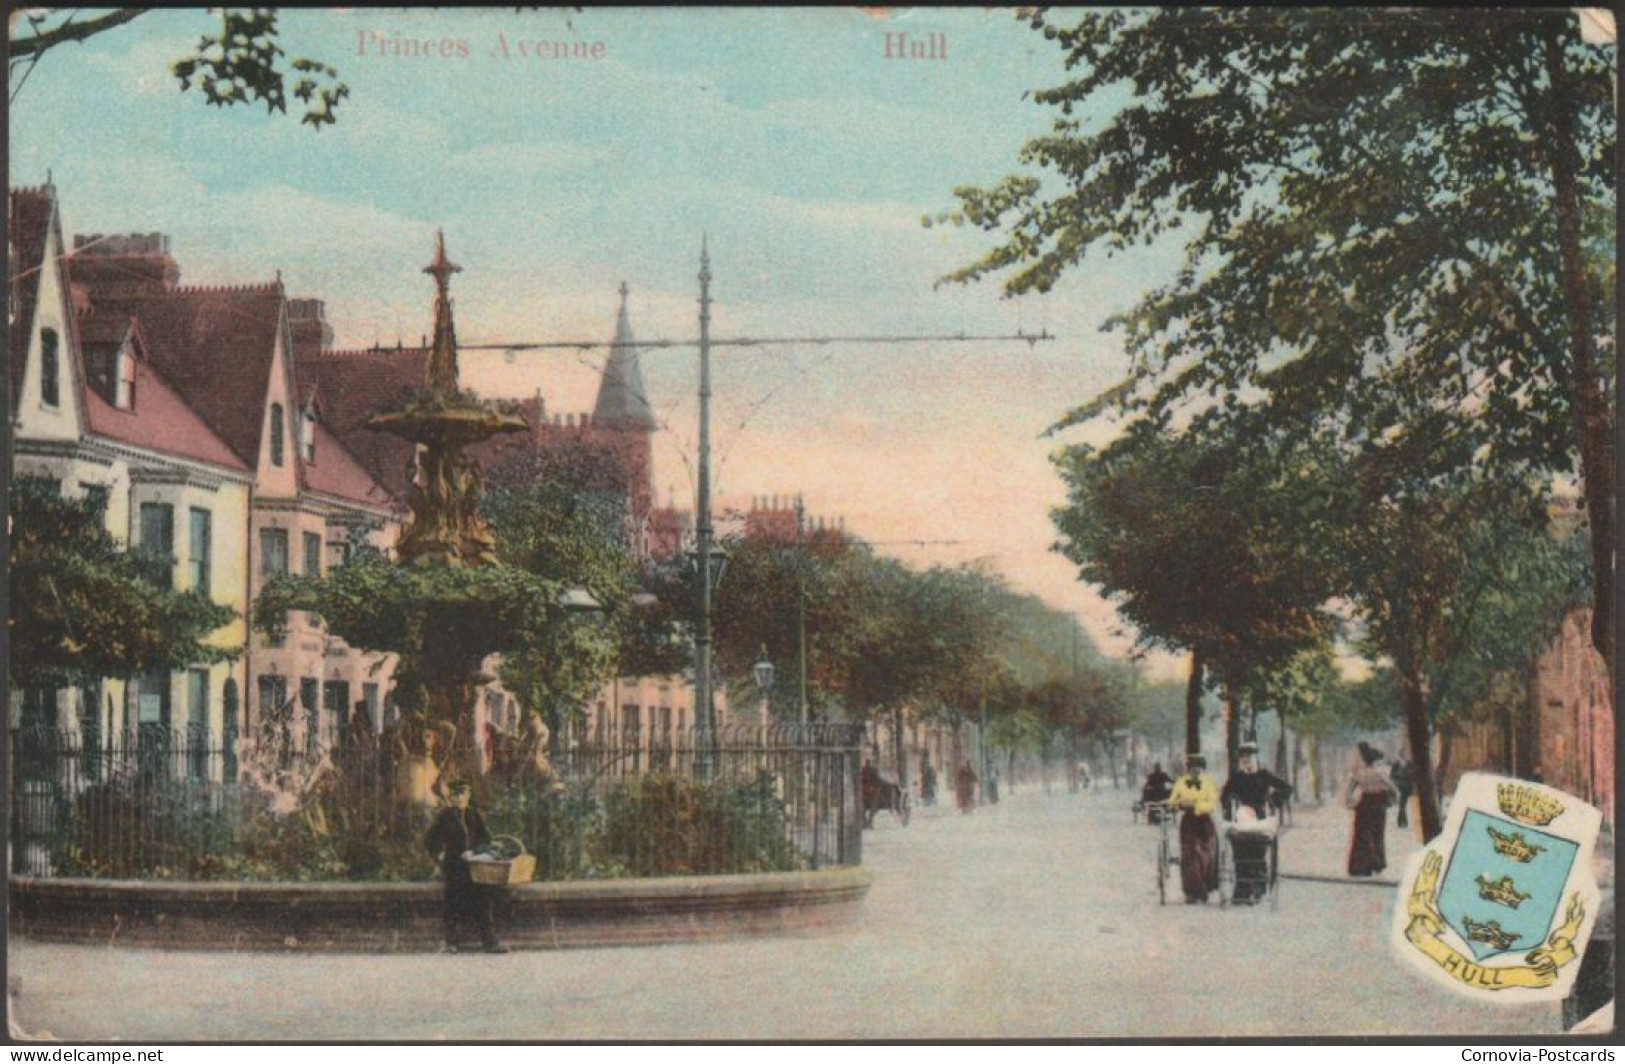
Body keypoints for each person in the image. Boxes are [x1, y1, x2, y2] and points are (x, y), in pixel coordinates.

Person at [424, 778, 507, 953]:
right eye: (456, 793)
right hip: (454, 866)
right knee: (453, 902)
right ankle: (452, 942)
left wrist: (475, 852)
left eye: (463, 793)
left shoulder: (474, 815)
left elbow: (487, 840)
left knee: (484, 901)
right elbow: (430, 840)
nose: (460, 797)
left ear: (469, 795)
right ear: (451, 797)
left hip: (476, 867)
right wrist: (440, 855)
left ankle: (489, 942)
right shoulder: (445, 816)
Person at [1220, 742, 1292, 904]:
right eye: (1244, 758)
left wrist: (1274, 801)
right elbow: (1224, 795)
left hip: (1261, 815)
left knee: (1258, 848)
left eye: (1250, 757)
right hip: (1242, 815)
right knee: (1240, 849)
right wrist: (1229, 807)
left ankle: (1257, 888)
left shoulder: (1264, 775)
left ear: (1256, 758)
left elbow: (1287, 788)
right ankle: (1242, 890)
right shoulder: (1237, 778)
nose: (1247, 761)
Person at [1166, 753, 1220, 904]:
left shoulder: (1209, 783)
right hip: (1188, 822)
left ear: (1203, 769)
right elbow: (1172, 801)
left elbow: (1212, 803)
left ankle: (1204, 887)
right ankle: (1191, 891)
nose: (1196, 771)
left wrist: (1196, 806)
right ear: (1188, 769)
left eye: (1199, 768)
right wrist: (1178, 805)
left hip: (1204, 822)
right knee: (1190, 854)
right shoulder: (1181, 783)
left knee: (1205, 854)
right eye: (1192, 768)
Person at [1346, 742, 1399, 877]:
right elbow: (1393, 790)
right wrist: (1392, 801)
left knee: (1362, 835)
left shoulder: (1359, 774)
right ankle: (1377, 862)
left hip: (1364, 804)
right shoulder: (1380, 774)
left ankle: (1361, 866)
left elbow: (1349, 792)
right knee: (1377, 834)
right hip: (1378, 805)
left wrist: (1351, 804)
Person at [1389, 757, 1414, 829]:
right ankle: (1402, 821)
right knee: (1402, 805)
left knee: (1402, 805)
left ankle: (1401, 821)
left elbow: (1392, 775)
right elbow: (1392, 776)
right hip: (1401, 787)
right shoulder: (1398, 764)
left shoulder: (1409, 764)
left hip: (1405, 787)